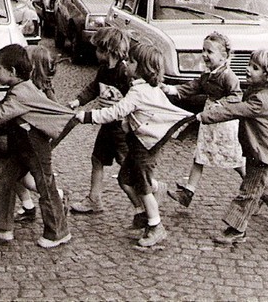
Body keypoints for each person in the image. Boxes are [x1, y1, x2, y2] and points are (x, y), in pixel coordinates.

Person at [75, 42, 192, 247]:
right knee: (124, 179)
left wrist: (86, 116)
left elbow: (116, 111)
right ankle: (142, 212)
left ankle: (156, 226)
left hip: (145, 146)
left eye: (130, 61)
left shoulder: (139, 92)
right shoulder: (145, 88)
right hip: (139, 142)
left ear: (141, 68)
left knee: (142, 185)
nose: (126, 63)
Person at [0, 44, 73, 249]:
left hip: (34, 147)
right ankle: (1, 227)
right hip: (23, 146)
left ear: (12, 72)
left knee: (46, 187)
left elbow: (0, 115)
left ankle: (58, 232)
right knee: (6, 181)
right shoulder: (21, 88)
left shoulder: (21, 93)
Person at [197, 49, 268, 244]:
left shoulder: (261, 98)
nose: (248, 69)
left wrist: (206, 115)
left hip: (261, 153)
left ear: (267, 74)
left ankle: (236, 229)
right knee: (259, 186)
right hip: (256, 150)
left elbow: (236, 110)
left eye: (255, 68)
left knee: (249, 192)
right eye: (249, 65)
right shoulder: (257, 91)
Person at [162, 32, 245, 207]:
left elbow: (237, 96)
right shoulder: (207, 74)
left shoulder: (228, 76)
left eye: (210, 52)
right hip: (210, 120)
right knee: (200, 155)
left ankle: (258, 189)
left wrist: (220, 104)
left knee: (234, 159)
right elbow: (192, 87)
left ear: (224, 57)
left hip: (224, 121)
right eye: (203, 50)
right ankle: (188, 192)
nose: (205, 55)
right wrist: (170, 89)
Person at [68, 27, 135, 215]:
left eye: (98, 50)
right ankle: (94, 199)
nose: (95, 53)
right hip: (107, 126)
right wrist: (78, 100)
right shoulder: (104, 69)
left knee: (127, 165)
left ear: (108, 51)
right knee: (97, 159)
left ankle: (148, 195)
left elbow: (134, 100)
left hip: (121, 129)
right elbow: (93, 88)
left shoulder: (124, 73)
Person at [15, 45, 68, 222]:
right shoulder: (28, 87)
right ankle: (28, 206)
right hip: (23, 141)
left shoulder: (41, 92)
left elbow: (56, 115)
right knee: (16, 176)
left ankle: (58, 196)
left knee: (31, 179)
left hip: (35, 143)